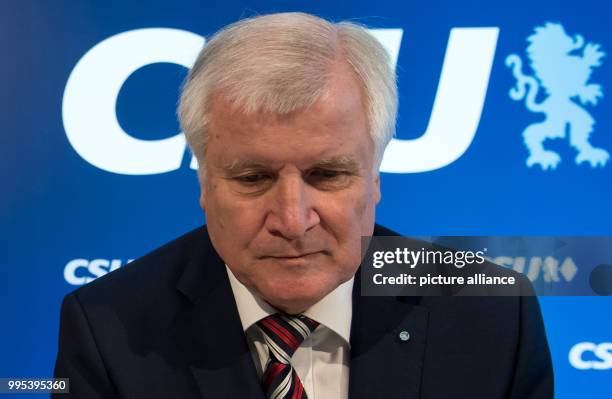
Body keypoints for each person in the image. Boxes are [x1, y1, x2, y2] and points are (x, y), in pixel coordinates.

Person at [53, 12, 553, 399]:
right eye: (253, 178)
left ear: (375, 177)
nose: (293, 220)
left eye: (327, 174)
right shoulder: (108, 327)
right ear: (204, 182)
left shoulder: (490, 310)